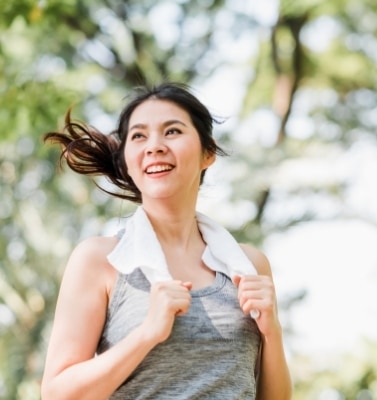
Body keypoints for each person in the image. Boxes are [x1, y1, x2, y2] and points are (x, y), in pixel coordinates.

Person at [41, 82, 292, 400]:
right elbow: (56, 394)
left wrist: (273, 331)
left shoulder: (249, 266)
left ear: (208, 153)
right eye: (139, 136)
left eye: (172, 131)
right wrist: (146, 334)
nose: (154, 146)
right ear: (126, 162)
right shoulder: (100, 260)